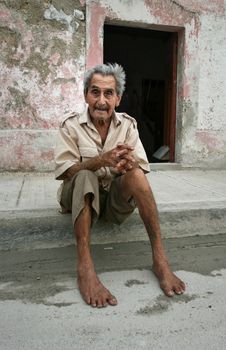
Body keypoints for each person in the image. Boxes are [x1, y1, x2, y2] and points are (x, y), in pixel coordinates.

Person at [54, 63, 185, 308]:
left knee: (135, 175)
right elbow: (65, 172)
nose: (101, 101)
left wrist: (129, 162)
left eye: (108, 93)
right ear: (85, 95)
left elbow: (142, 167)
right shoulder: (70, 125)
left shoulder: (127, 125)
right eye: (95, 92)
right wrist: (99, 161)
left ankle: (160, 260)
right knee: (84, 176)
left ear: (118, 98)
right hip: (78, 198)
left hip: (111, 201)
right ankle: (85, 268)